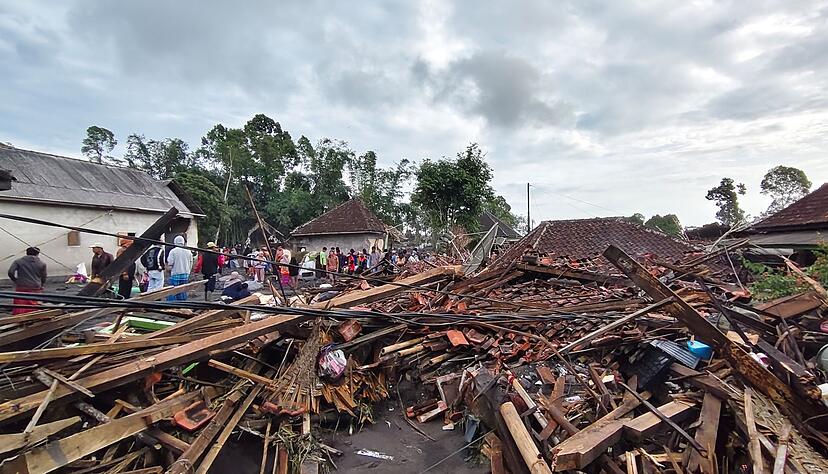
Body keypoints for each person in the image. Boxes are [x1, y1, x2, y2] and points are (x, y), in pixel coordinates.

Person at [8, 247, 47, 315]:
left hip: (22, 286)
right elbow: (44, 277)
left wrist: (15, 280)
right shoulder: (42, 264)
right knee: (34, 304)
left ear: (26, 253)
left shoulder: (18, 261)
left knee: (20, 304)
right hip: (35, 287)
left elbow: (10, 272)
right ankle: (34, 317)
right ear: (37, 254)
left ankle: (18, 317)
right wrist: (41, 285)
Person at [166, 235, 193, 301]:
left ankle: (173, 305)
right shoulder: (188, 251)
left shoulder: (173, 251)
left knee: (174, 290)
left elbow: (170, 263)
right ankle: (182, 304)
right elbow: (191, 262)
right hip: (185, 274)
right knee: (183, 290)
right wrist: (188, 271)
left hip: (175, 274)